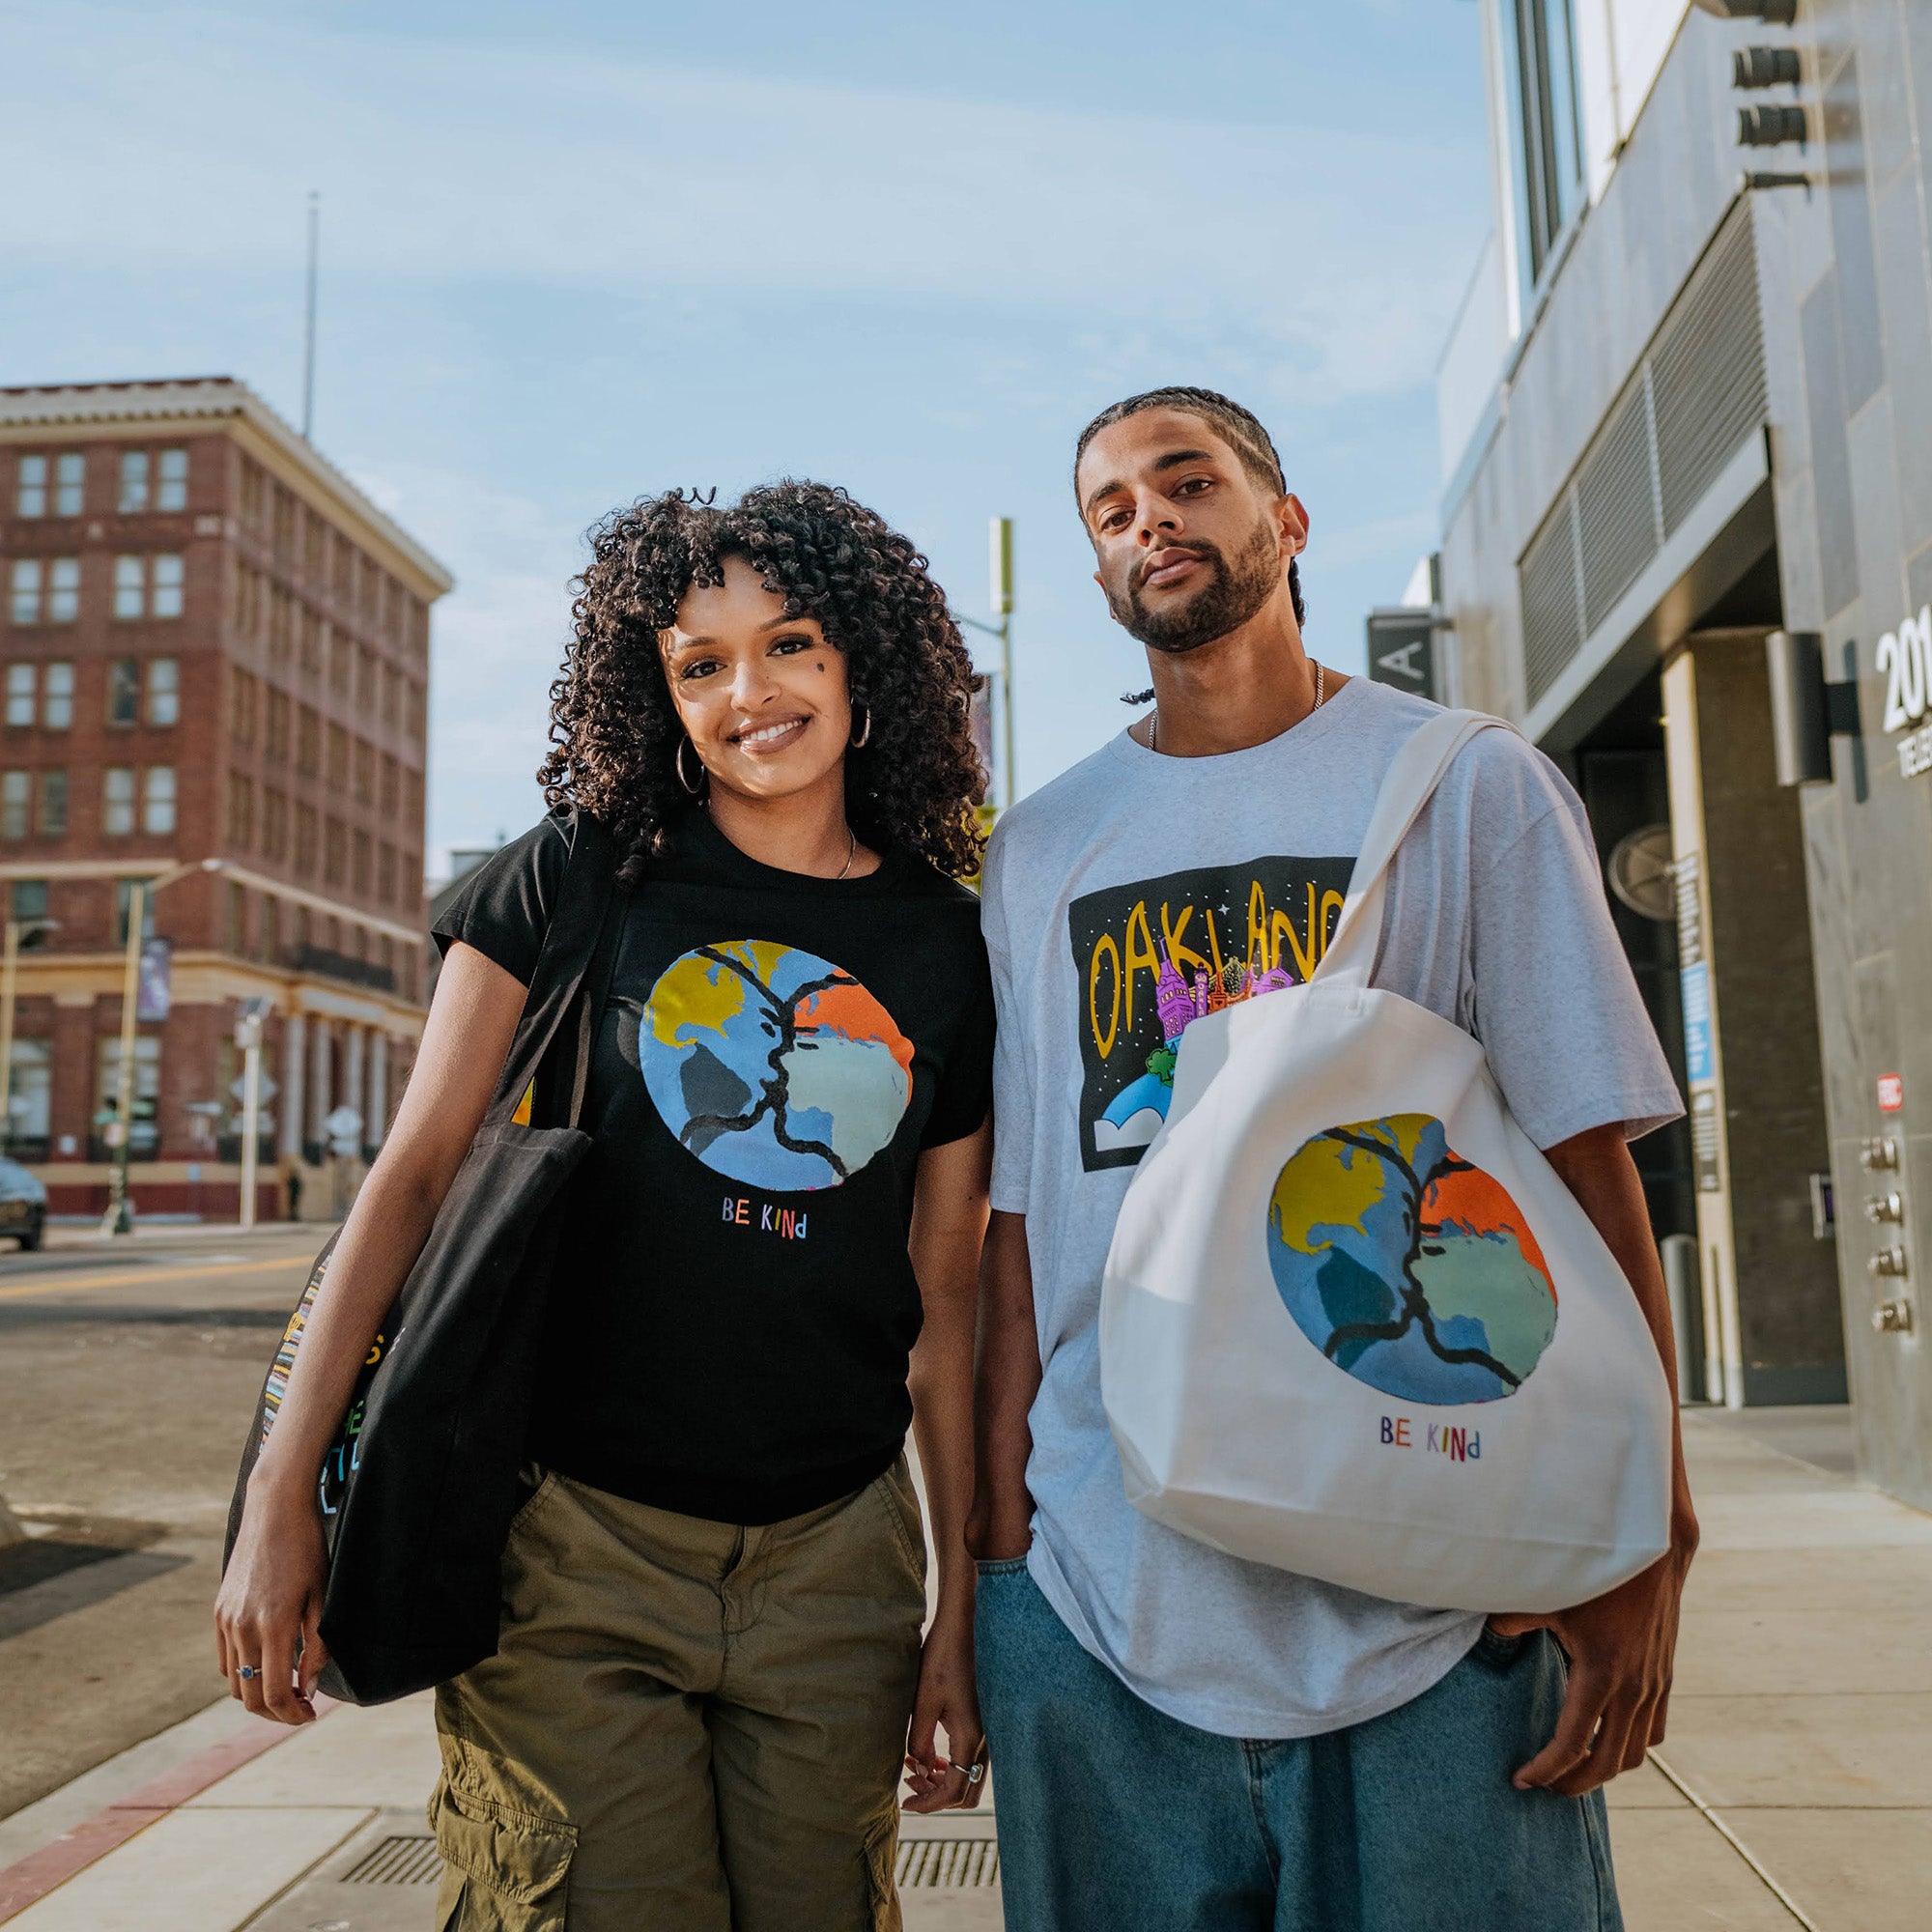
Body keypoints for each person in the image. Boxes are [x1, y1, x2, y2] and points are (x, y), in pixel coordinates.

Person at [218, 481, 996, 1931]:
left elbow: (946, 1300)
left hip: (837, 1560)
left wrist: (961, 1602)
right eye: (699, 665)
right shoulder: (577, 877)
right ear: (656, 697)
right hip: (571, 1551)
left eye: (791, 645)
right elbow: (406, 1188)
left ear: (863, 664)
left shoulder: (950, 945)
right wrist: (281, 1497)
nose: (748, 693)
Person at [970, 387, 1698, 1931]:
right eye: (1111, 510)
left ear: (1283, 520)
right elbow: (1017, 1237)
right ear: (1102, 576)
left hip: (1440, 1588)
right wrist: (998, 1573)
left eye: (1187, 481)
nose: (1149, 520)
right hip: (1106, 1597)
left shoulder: (1466, 781)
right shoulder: (1040, 852)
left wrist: (1650, 1528)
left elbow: (1587, 1168)